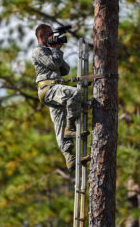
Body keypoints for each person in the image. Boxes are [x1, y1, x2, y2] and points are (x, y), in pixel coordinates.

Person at [31, 24, 90, 171]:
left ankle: (70, 158)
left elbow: (65, 70)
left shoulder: (50, 51)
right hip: (48, 89)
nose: (53, 37)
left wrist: (56, 48)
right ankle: (70, 128)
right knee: (75, 93)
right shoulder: (38, 51)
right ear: (42, 36)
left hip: (54, 89)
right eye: (50, 35)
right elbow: (53, 63)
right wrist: (55, 50)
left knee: (59, 126)